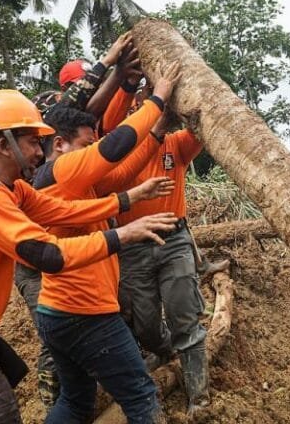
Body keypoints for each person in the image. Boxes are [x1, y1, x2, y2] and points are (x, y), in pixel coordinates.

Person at [0, 89, 178, 424]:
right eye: (32, 142)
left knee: (70, 401)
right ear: (5, 145)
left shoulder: (11, 189)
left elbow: (60, 210)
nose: (39, 152)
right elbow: (49, 254)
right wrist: (123, 234)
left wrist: (125, 201)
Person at [32, 62, 182, 424]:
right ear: (59, 144)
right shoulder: (62, 171)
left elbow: (122, 172)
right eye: (86, 145)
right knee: (142, 396)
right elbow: (116, 146)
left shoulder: (71, 182)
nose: (92, 151)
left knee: (76, 402)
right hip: (85, 313)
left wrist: (157, 134)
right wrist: (158, 98)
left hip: (57, 311)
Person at [115, 114, 217, 417]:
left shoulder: (177, 144)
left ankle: (199, 398)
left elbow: (202, 123)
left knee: (184, 317)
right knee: (143, 324)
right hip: (132, 247)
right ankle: (165, 350)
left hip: (174, 242)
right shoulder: (117, 147)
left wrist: (180, 104)